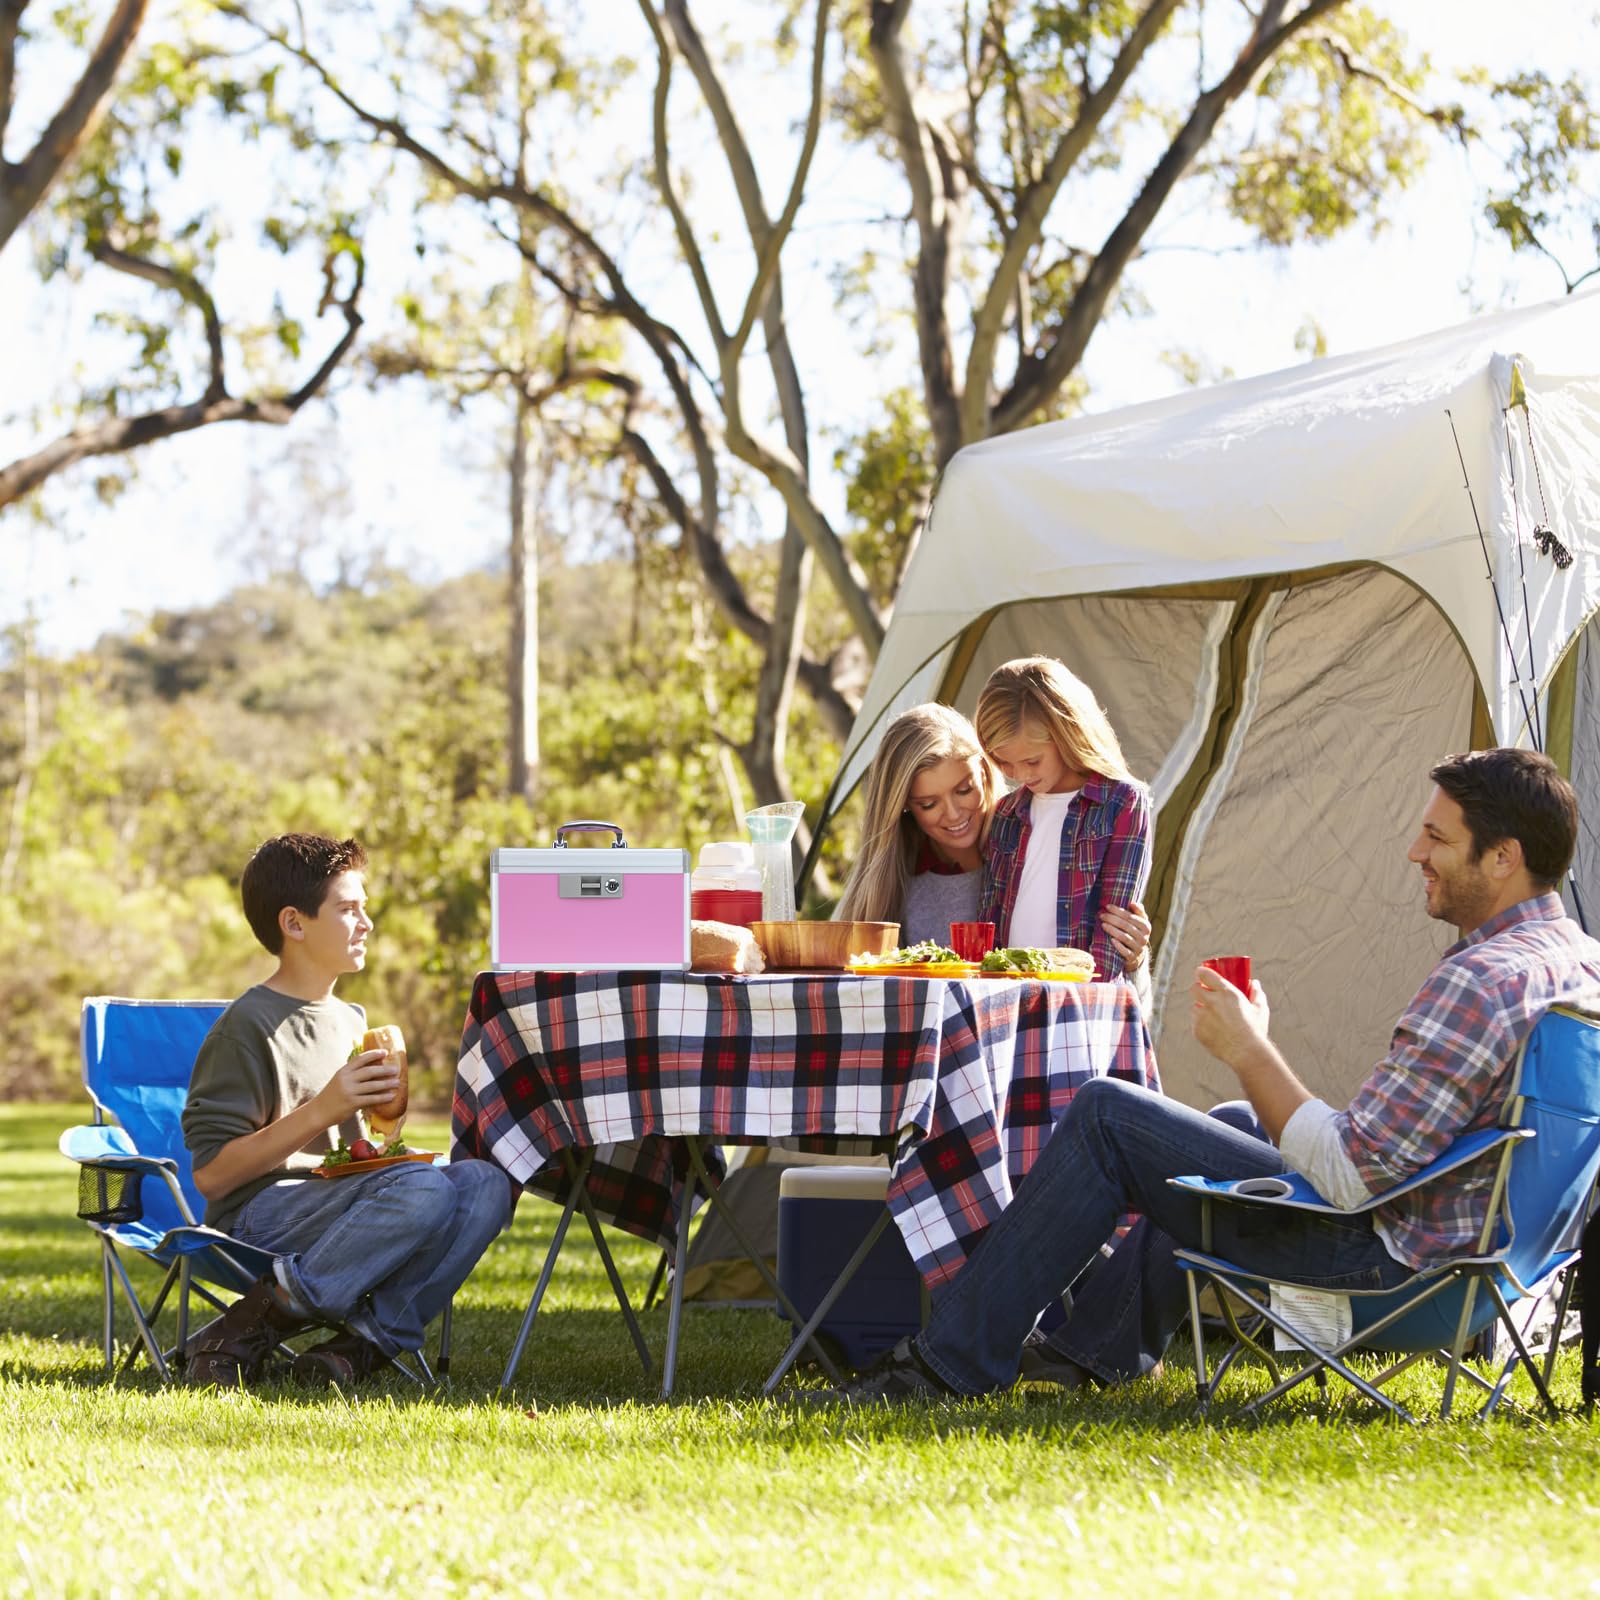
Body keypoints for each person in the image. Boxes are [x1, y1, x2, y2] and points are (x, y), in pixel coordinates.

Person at [814, 747, 1600, 1403]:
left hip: (1386, 1268)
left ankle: (946, 1365)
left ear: (1503, 858)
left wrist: (1250, 1046)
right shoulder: (1576, 968)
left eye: (1437, 837)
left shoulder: (1481, 981)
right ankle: (1096, 1348)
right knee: (1227, 1123)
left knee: (1107, 1114)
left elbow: (1355, 1179)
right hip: (1494, 1267)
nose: (1414, 853)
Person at [181, 833, 513, 1386]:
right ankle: (252, 1321)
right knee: (425, 1188)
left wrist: (384, 1131)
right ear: (295, 923)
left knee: (486, 1184)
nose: (367, 924)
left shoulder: (350, 1021)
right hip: (256, 1218)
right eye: (348, 909)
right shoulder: (247, 1027)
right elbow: (214, 1177)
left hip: (334, 1203)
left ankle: (360, 1348)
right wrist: (324, 1107)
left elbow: (352, 1156)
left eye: (365, 909)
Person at [974, 656, 1152, 981]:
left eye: (1032, 760)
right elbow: (991, 917)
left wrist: (1083, 1003)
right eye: (1004, 763)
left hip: (1079, 1005)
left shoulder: (1122, 802)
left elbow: (1113, 926)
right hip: (1006, 1000)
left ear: (1067, 733)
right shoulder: (1006, 813)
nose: (1020, 775)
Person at [834, 704, 1001, 945]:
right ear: (904, 806)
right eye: (928, 805)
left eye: (964, 790)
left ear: (983, 772)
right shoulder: (895, 882)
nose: (953, 814)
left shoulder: (1023, 842)